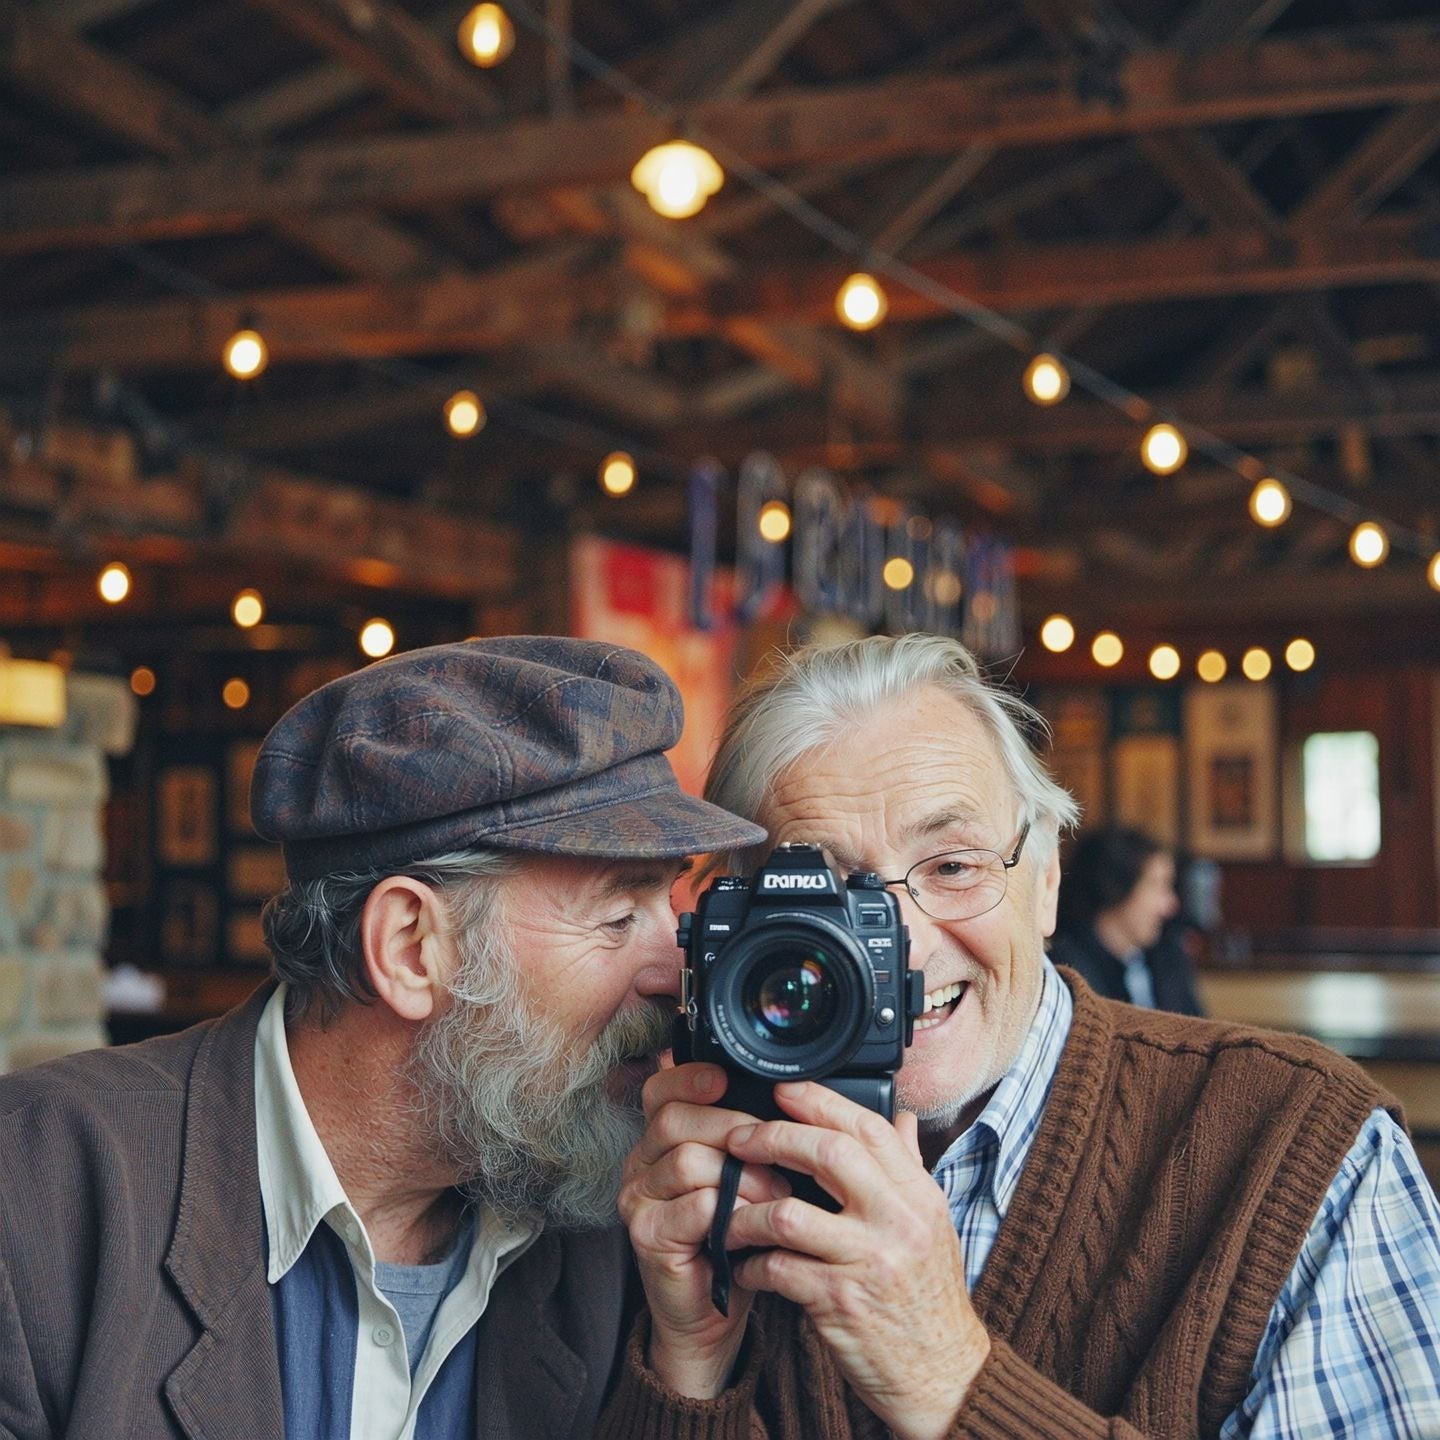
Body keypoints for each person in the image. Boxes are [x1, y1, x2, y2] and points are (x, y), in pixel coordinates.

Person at [603, 632, 1440, 1440]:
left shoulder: (1303, 1153)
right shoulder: (670, 1169)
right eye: (826, 891)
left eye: (953, 866)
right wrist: (686, 1369)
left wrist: (949, 1379)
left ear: (1046, 882)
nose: (903, 945)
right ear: (736, 926)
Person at [0, 636, 765, 1440]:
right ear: (409, 947)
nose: (678, 970)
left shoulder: (636, 1227)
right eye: (618, 916)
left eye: (671, 904)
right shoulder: (38, 1192)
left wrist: (688, 1366)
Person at [1050, 824, 1206, 1016]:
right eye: (1156, 886)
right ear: (1115, 888)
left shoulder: (1169, 959)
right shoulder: (1068, 972)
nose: (1170, 905)